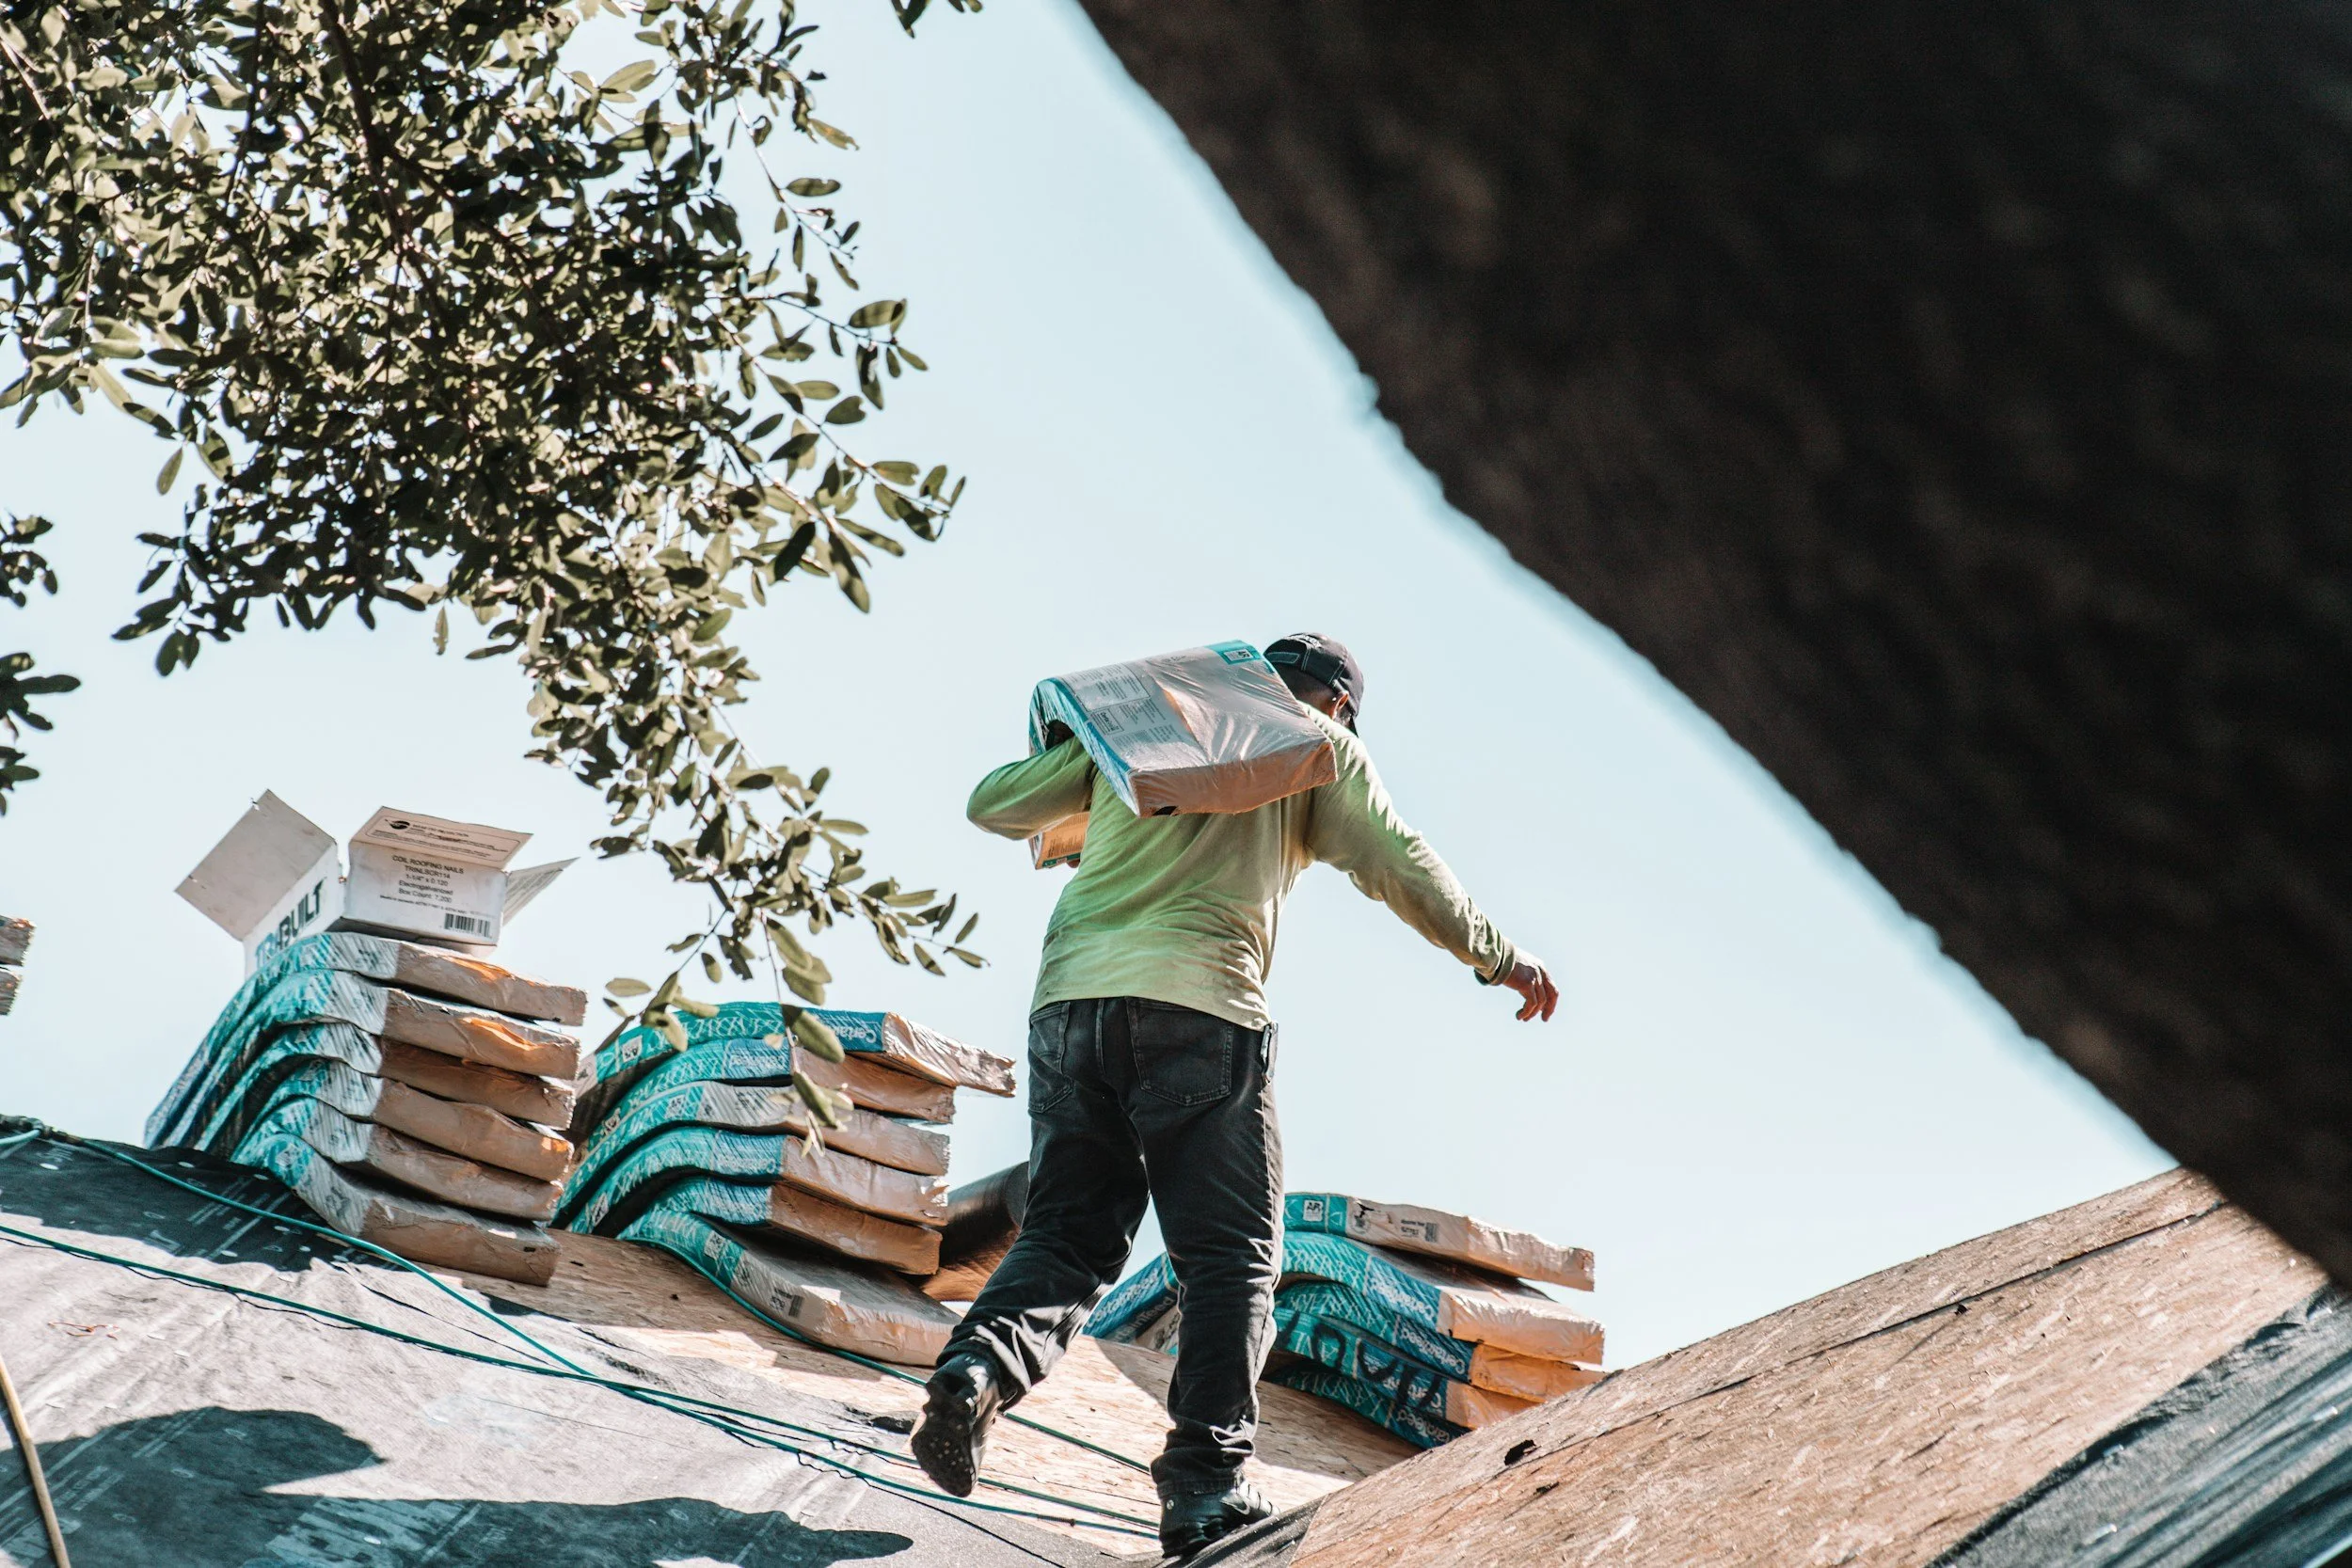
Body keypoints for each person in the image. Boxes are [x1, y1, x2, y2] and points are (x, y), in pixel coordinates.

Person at [912, 633, 1559, 1557]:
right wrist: (1500, 955)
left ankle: (976, 1369)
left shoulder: (1148, 732)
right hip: (1200, 1011)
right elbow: (1398, 863)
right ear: (1335, 705)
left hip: (1069, 1008)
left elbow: (993, 803)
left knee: (1066, 1234)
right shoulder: (1320, 749)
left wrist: (1082, 754)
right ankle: (1205, 1487)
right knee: (1234, 1259)